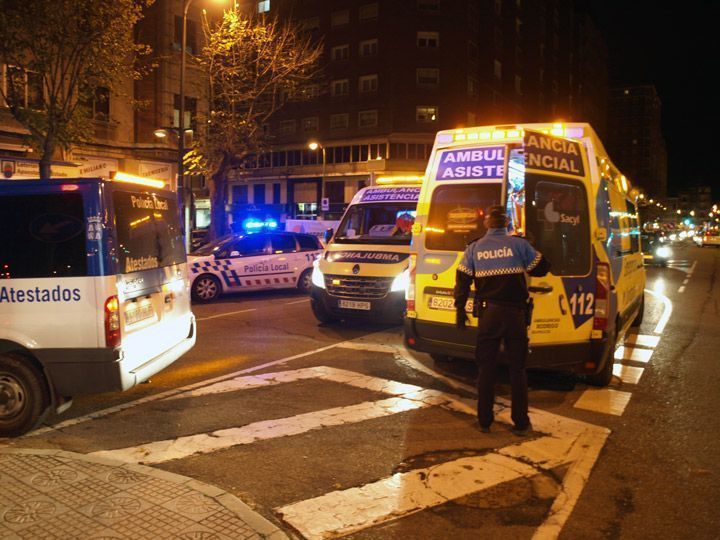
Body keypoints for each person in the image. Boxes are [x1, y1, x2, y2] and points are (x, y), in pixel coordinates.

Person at [454, 205, 550, 436]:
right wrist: (532, 246)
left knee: (486, 368)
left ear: (487, 224)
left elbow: (462, 281)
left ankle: (485, 420)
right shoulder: (519, 244)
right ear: (506, 224)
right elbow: (543, 269)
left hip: (489, 315)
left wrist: (460, 309)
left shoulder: (474, 248)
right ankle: (520, 422)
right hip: (515, 315)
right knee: (517, 370)